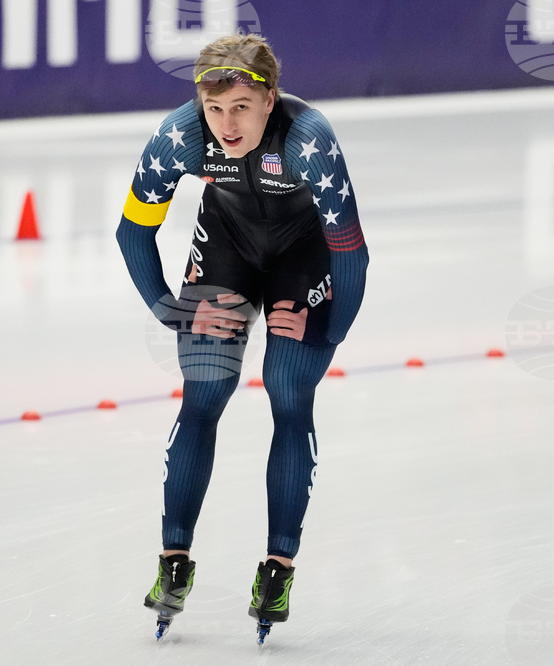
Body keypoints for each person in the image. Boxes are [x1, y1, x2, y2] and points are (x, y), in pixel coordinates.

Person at [115, 32, 369, 638]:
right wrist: (173, 312)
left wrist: (326, 325)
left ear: (269, 99)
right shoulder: (180, 134)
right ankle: (173, 562)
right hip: (226, 247)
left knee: (287, 390)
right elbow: (131, 233)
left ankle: (277, 567)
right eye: (214, 110)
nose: (226, 125)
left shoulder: (309, 139)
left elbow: (352, 256)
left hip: (301, 256)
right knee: (203, 393)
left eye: (241, 109)